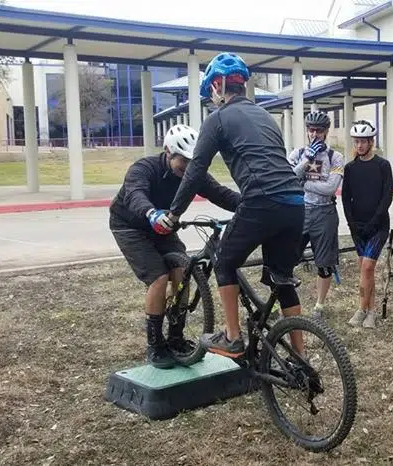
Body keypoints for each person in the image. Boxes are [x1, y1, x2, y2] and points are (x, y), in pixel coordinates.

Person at [168, 52, 307, 359]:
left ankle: (232, 337)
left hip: (261, 201)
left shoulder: (217, 119)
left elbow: (195, 171)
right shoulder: (265, 116)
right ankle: (300, 356)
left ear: (218, 85)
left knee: (224, 262)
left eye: (211, 90)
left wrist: (174, 213)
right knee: (281, 278)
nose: (212, 97)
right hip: (295, 203)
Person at [108, 124, 241, 369]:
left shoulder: (194, 173)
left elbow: (221, 194)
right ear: (168, 152)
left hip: (164, 226)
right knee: (159, 278)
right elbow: (135, 194)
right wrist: (151, 213)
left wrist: (251, 204)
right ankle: (155, 344)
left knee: (182, 273)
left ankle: (176, 337)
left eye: (193, 161)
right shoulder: (144, 168)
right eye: (183, 161)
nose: (188, 167)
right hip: (131, 226)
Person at [287, 110, 345, 320]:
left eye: (319, 131)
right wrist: (306, 160)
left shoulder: (335, 157)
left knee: (325, 263)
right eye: (311, 130)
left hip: (325, 213)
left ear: (326, 132)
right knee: (285, 261)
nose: (314, 134)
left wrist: (304, 183)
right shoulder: (297, 154)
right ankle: (282, 303)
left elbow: (330, 189)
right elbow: (289, 179)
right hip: (300, 212)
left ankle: (319, 305)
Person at [341, 119, 393, 329]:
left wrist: (374, 222)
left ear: (371, 142)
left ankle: (361, 309)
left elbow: (387, 197)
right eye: (356, 141)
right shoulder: (350, 168)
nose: (360, 145)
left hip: (377, 226)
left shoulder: (382, 165)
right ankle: (371, 312)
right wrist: (352, 225)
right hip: (358, 227)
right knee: (365, 271)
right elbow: (346, 199)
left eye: (363, 141)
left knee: (367, 266)